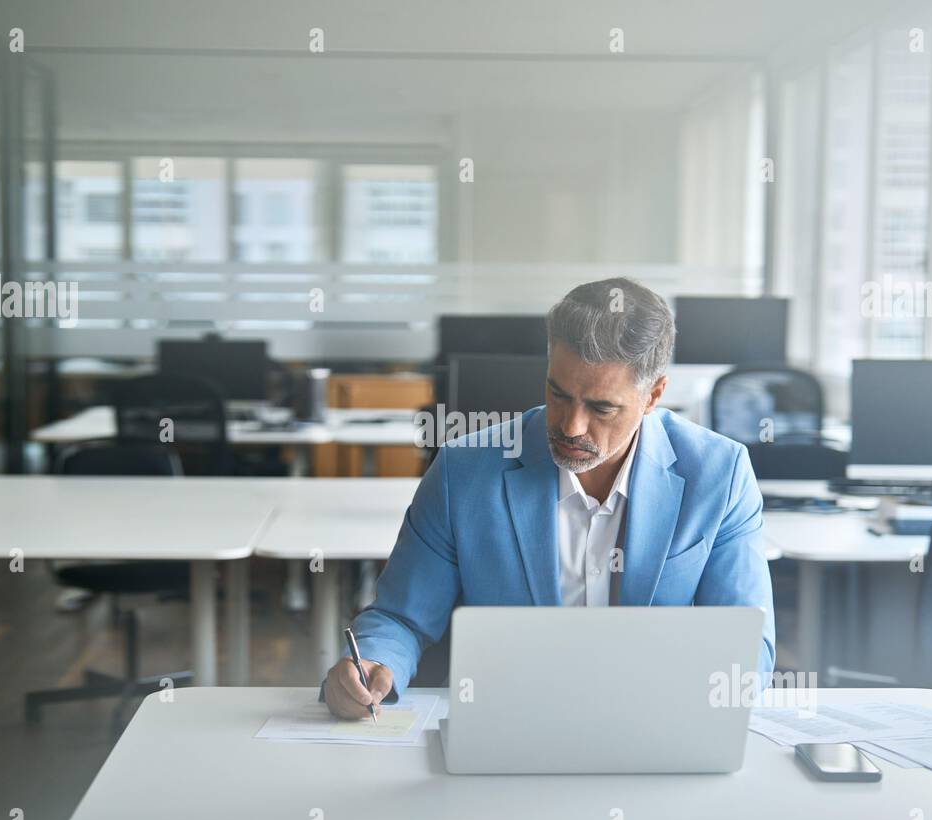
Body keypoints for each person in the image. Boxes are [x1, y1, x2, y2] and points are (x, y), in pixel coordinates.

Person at [324, 277, 775, 718]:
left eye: (602, 408)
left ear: (654, 394)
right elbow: (401, 618)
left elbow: (750, 645)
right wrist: (373, 663)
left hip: (656, 725)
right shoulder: (463, 472)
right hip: (508, 725)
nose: (571, 427)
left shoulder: (720, 474)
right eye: (558, 395)